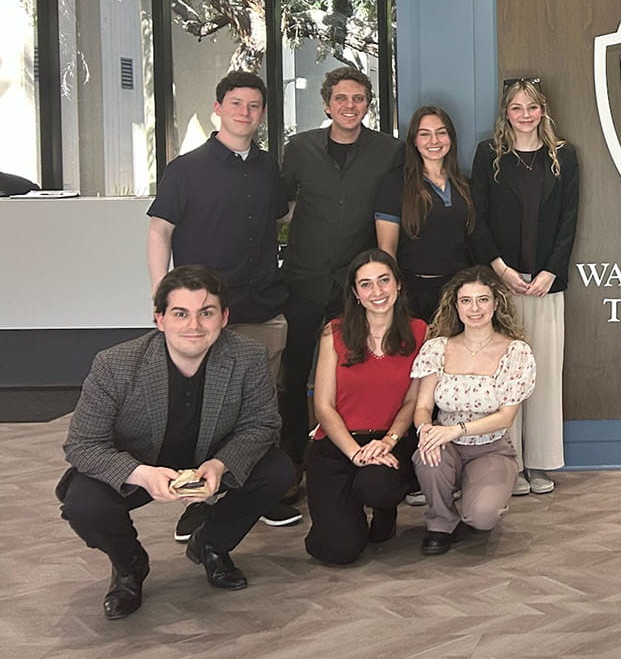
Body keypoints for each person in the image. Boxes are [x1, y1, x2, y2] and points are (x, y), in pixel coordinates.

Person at [58, 265, 291, 620]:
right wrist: (142, 474)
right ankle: (129, 566)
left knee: (278, 470)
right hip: (139, 466)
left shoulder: (248, 357)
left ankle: (211, 543)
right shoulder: (114, 365)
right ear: (160, 319)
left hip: (208, 462)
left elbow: (262, 425)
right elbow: (82, 445)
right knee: (83, 504)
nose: (194, 326)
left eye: (206, 313)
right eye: (180, 313)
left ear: (224, 317)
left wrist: (220, 464)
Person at [145, 70, 300, 536]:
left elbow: (282, 219)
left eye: (253, 106)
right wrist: (165, 300)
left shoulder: (269, 166)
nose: (244, 113)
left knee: (260, 408)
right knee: (208, 411)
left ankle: (254, 493)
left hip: (262, 306)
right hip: (205, 314)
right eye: (235, 104)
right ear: (218, 108)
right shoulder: (186, 168)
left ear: (262, 113)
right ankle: (202, 501)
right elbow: (160, 231)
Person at [279, 66, 403, 482]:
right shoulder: (299, 149)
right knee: (293, 374)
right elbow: (279, 206)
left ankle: (360, 455)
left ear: (368, 104)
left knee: (360, 371)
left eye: (358, 99)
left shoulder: (389, 150)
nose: (349, 106)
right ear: (327, 104)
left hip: (356, 286)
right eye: (341, 99)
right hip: (303, 279)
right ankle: (292, 462)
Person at [470, 78, 579, 496]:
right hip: (502, 285)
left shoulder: (564, 158)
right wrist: (500, 269)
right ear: (506, 113)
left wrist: (551, 271)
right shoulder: (488, 155)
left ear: (543, 111)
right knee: (505, 377)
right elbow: (476, 217)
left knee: (544, 375)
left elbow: (569, 220)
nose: (525, 115)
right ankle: (508, 464)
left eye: (532, 107)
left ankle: (540, 463)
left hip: (547, 286)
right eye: (517, 108)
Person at [303, 249, 426, 564]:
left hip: (389, 441)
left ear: (398, 285)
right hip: (337, 443)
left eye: (384, 281)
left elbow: (412, 401)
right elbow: (324, 407)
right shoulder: (334, 332)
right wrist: (355, 453)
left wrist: (387, 442)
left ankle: (384, 510)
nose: (377, 292)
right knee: (338, 550)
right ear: (356, 293)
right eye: (366, 284)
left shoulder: (419, 331)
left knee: (377, 484)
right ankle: (348, 512)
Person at [411, 266, 537, 555]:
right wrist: (426, 430)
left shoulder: (515, 352)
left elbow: (506, 417)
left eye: (482, 299)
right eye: (466, 300)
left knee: (482, 517)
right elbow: (423, 406)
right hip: (446, 444)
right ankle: (441, 521)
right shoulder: (437, 348)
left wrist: (457, 429)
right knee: (427, 456)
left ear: (496, 304)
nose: (474, 308)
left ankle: (472, 508)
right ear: (456, 306)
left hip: (491, 448)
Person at [376, 105, 478, 321]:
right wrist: (392, 293)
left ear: (451, 137)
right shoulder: (395, 183)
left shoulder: (465, 184)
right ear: (414, 140)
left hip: (459, 293)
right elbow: (387, 249)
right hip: (413, 294)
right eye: (425, 134)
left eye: (441, 132)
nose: (434, 141)